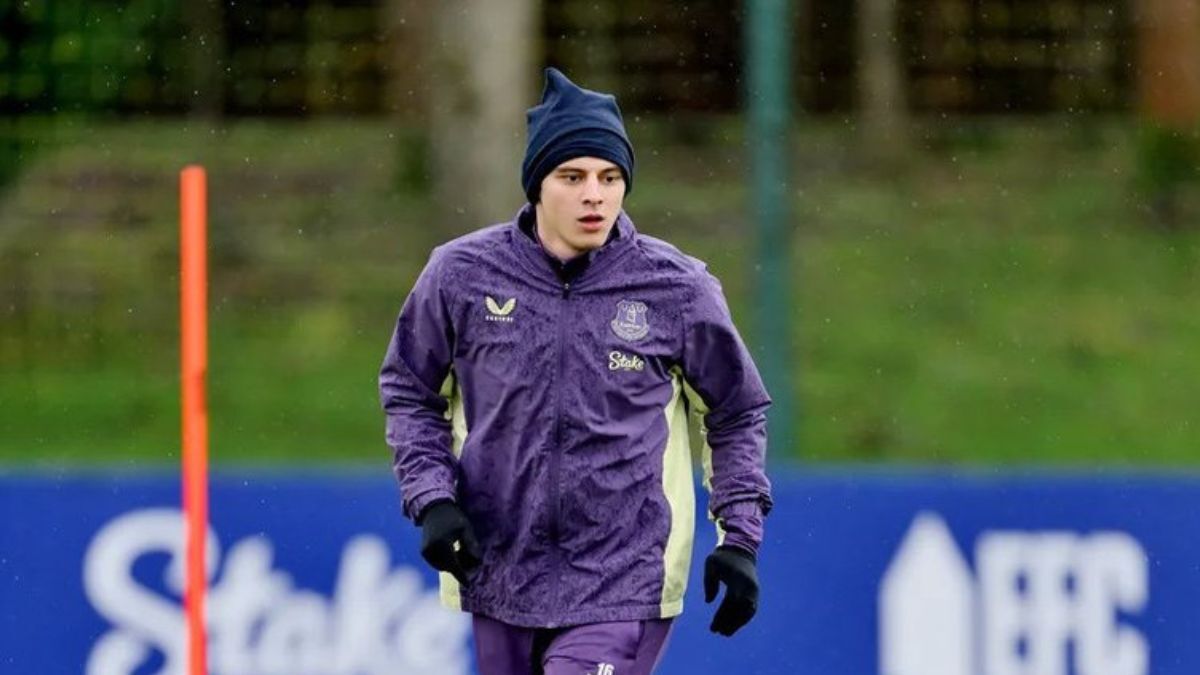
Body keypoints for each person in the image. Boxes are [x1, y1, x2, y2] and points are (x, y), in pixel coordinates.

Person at [379, 67, 773, 675]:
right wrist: (432, 500)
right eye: (573, 177)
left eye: (610, 178)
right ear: (538, 185)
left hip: (624, 579)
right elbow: (409, 390)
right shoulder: (460, 276)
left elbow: (737, 410)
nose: (595, 195)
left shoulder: (677, 288)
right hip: (498, 571)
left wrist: (740, 538)